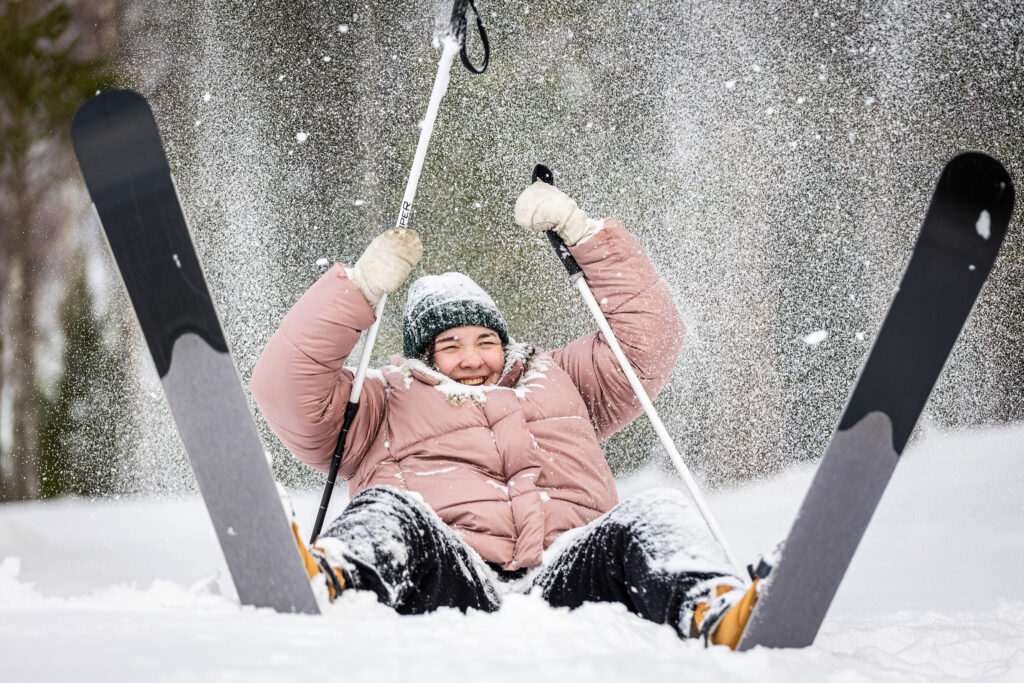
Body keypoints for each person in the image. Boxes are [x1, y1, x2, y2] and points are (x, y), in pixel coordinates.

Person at [249, 180, 761, 646]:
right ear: (422, 355)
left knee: (656, 513)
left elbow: (650, 341)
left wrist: (583, 234)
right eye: (450, 344)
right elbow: (284, 389)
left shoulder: (561, 377)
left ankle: (716, 611)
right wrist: (357, 288)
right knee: (389, 508)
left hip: (571, 573)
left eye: (485, 340)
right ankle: (331, 582)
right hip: (450, 577)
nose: (472, 357)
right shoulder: (382, 398)